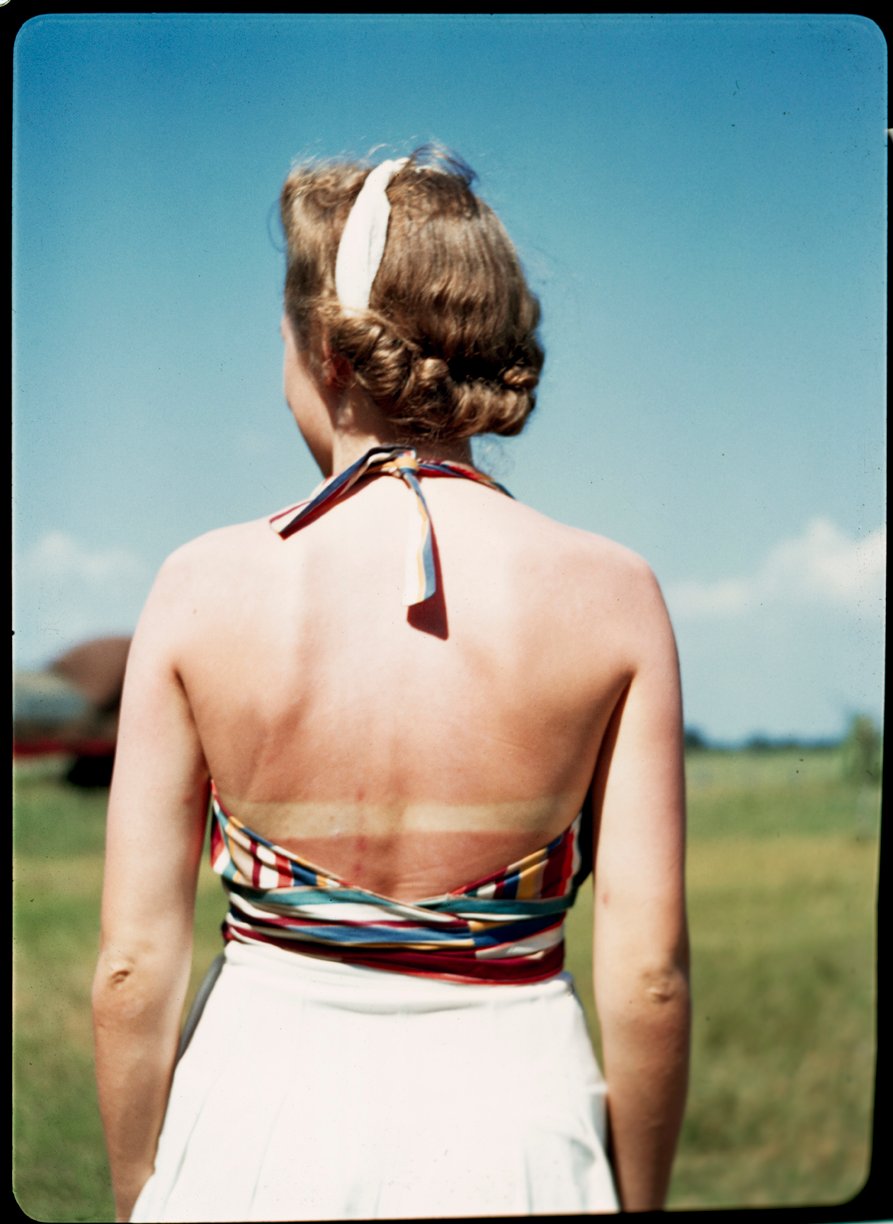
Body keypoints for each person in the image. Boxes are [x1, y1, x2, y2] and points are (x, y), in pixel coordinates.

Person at [92, 145, 690, 1222]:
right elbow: (648, 977)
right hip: (517, 1123)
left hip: (252, 1123)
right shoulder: (613, 595)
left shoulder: (198, 588)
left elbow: (134, 964)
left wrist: (143, 1187)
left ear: (325, 349)